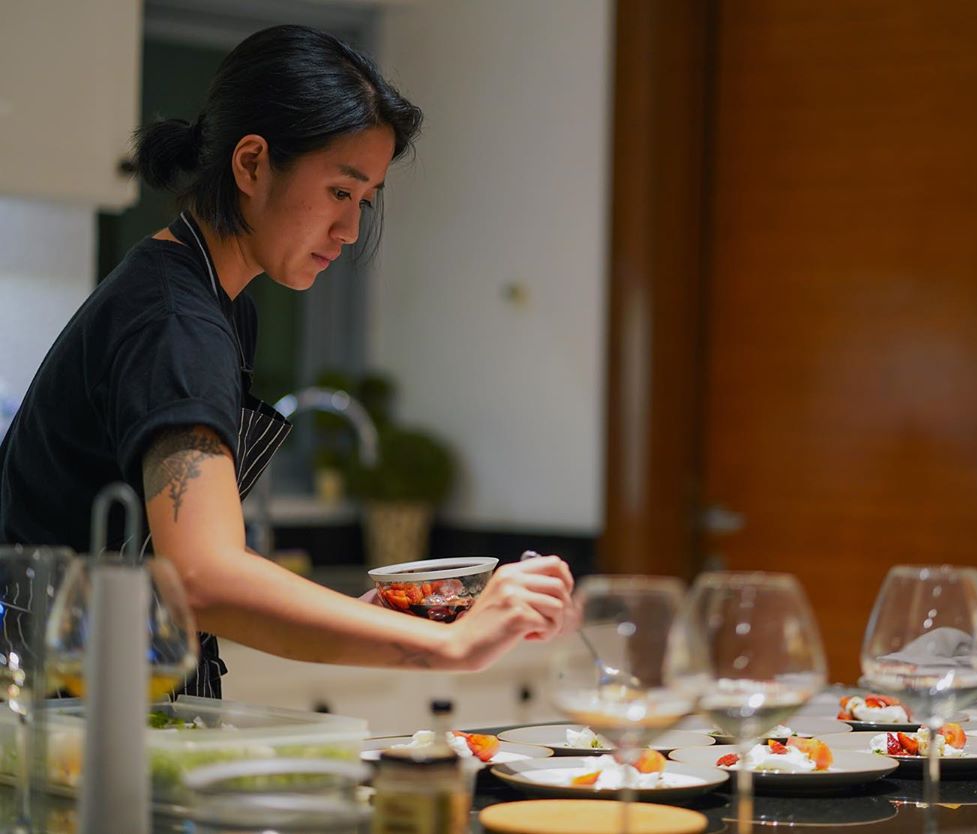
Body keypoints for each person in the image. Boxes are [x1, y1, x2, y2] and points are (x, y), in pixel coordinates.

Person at [0, 25, 574, 697]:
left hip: (101, 700)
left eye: (364, 201)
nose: (351, 230)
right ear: (251, 165)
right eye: (340, 192)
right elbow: (203, 578)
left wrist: (368, 619)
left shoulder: (214, 302)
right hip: (54, 717)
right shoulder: (178, 322)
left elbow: (193, 567)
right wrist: (449, 645)